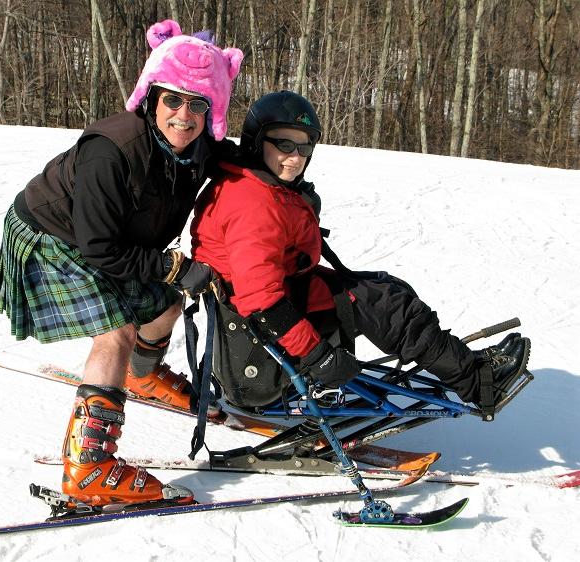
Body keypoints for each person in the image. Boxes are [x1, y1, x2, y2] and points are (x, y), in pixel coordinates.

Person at [0, 19, 243, 508]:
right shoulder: (112, 151)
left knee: (166, 304)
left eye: (197, 104)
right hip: (53, 236)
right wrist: (171, 265)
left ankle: (141, 375)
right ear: (151, 97)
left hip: (110, 240)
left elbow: (240, 161)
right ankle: (89, 469)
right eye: (172, 100)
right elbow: (100, 250)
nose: (183, 116)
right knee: (118, 330)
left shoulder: (198, 148)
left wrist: (283, 166)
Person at [190, 91, 530, 416]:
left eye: (305, 145)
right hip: (262, 332)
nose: (295, 157)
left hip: (276, 298)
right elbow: (261, 299)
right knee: (390, 307)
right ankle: (480, 383)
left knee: (386, 289)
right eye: (283, 144)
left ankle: (465, 366)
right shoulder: (252, 202)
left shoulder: (258, 184)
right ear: (255, 141)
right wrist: (315, 355)